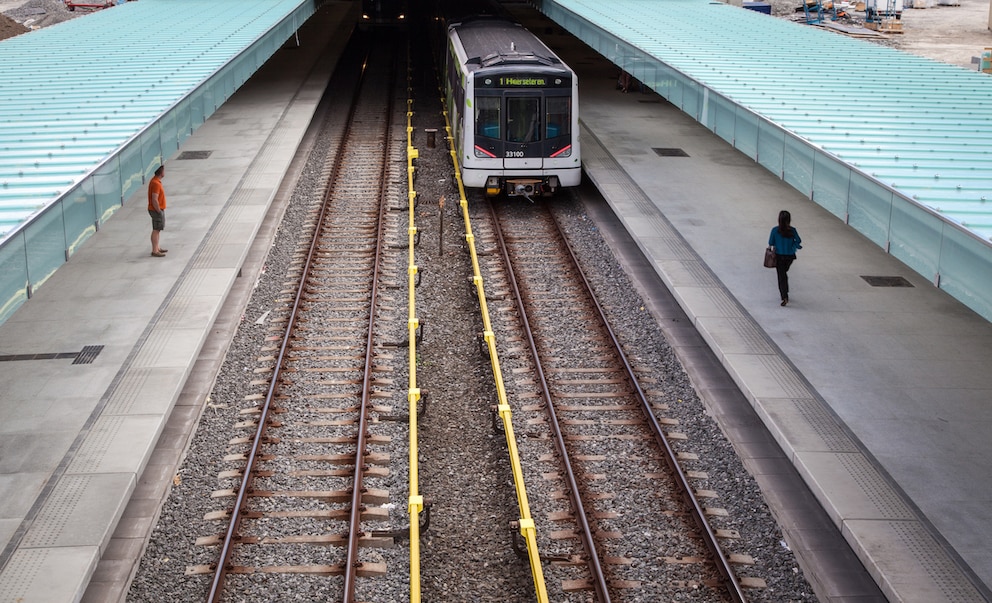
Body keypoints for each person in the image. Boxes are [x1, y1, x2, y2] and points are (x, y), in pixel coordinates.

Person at [768, 210, 802, 306]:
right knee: (784, 272)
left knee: (781, 276)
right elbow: (798, 240)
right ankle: (785, 291)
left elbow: (771, 242)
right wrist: (793, 245)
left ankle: (784, 296)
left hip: (779, 256)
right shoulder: (792, 230)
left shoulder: (775, 230)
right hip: (790, 256)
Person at [147, 165, 168, 257]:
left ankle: (157, 247)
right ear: (161, 172)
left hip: (156, 209)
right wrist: (159, 211)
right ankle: (155, 250)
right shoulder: (156, 183)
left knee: (158, 229)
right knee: (156, 229)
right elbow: (154, 199)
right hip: (156, 210)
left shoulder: (155, 181)